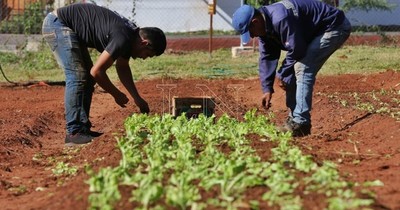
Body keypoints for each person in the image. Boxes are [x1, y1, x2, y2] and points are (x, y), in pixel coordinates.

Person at [42, 3, 167, 145]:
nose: (144, 58)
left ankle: (83, 129)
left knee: (86, 78)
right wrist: (116, 94)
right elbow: (97, 71)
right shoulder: (123, 37)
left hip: (68, 26)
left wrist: (136, 98)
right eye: (148, 55)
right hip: (58, 24)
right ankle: (74, 132)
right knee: (77, 75)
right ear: (144, 43)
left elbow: (123, 67)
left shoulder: (131, 37)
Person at [232, 0, 351, 137]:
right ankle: (295, 119)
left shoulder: (280, 18)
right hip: (314, 32)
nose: (252, 36)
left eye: (250, 32)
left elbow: (297, 49)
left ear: (255, 22)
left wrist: (282, 74)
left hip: (334, 26)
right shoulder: (265, 26)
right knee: (291, 70)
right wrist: (267, 88)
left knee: (302, 67)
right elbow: (267, 57)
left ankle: (301, 123)